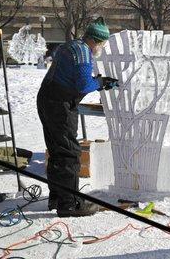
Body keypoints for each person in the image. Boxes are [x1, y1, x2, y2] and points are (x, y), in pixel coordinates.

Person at [37, 18, 118, 217]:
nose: (102, 47)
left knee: (57, 149)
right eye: (102, 43)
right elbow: (83, 85)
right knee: (69, 152)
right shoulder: (83, 53)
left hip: (47, 98)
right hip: (59, 103)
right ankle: (70, 203)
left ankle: (57, 196)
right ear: (96, 41)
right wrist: (100, 83)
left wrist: (98, 81)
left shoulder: (70, 46)